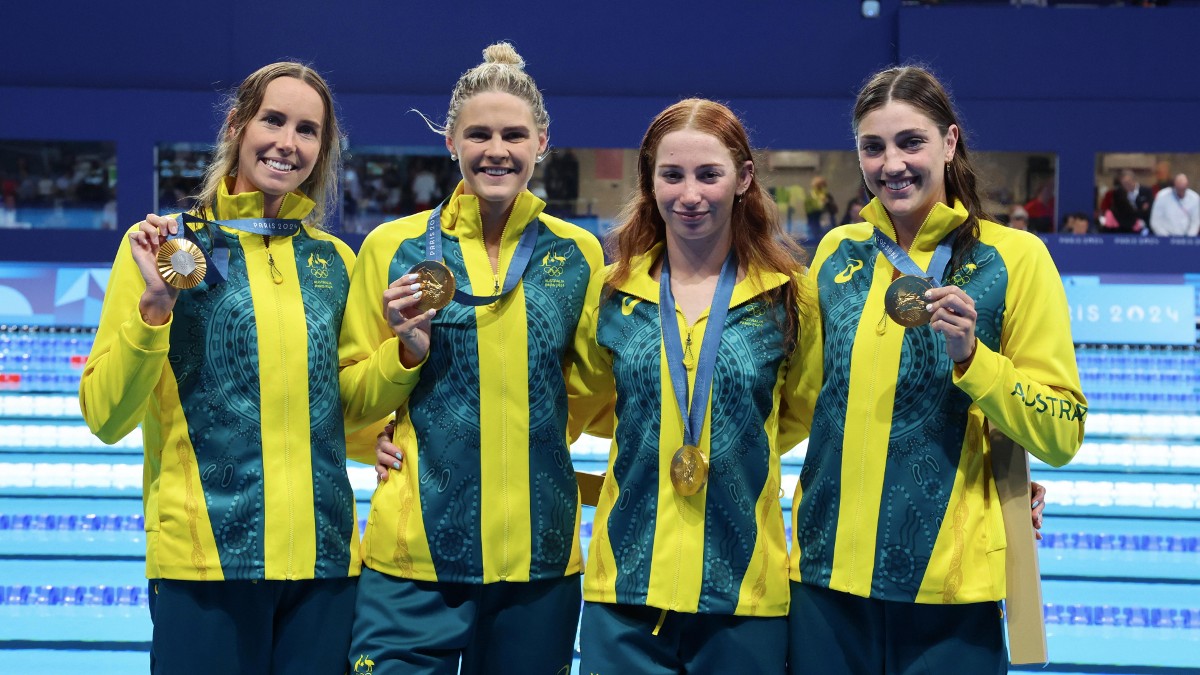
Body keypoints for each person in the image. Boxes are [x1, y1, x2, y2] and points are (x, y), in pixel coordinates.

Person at [787, 65, 1086, 674]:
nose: (891, 163)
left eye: (910, 142)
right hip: (826, 577)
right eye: (873, 147)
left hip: (951, 592)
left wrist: (976, 361)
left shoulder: (1015, 259)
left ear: (949, 144)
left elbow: (1063, 430)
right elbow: (795, 401)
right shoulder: (837, 253)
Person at [79, 62, 363, 674]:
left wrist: (400, 388)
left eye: (308, 129)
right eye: (274, 120)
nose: (289, 142)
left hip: (325, 564)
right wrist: (155, 308)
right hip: (205, 562)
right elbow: (105, 416)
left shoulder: (336, 261)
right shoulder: (161, 245)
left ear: (322, 148)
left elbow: (352, 410)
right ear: (237, 125)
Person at [340, 42, 605, 674]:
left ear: (542, 141)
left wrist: (521, 441)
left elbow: (591, 388)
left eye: (514, 134)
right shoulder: (391, 247)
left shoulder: (578, 255)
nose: (497, 150)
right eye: (478, 135)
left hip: (537, 560)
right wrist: (403, 358)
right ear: (451, 143)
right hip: (411, 560)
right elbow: (346, 395)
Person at [564, 98, 816, 673]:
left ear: (744, 178)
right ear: (649, 182)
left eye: (710, 174)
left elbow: (802, 411)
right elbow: (573, 406)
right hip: (623, 589)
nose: (690, 194)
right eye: (671, 175)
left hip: (745, 593)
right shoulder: (611, 293)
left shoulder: (790, 296)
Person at [1148, 172, 1200, 236]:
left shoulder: (1195, 198)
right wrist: (1166, 238)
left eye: (1183, 189)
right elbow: (1155, 221)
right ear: (1174, 185)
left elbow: (1196, 221)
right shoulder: (1162, 196)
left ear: (1187, 186)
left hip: (1186, 237)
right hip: (1165, 237)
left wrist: (1189, 238)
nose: (1181, 192)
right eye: (1179, 189)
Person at [1105, 169, 1153, 233]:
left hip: (1146, 227)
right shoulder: (1120, 195)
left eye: (1128, 182)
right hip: (1127, 228)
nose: (1126, 185)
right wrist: (1141, 210)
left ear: (1134, 180)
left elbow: (1149, 210)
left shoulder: (1146, 191)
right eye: (1123, 183)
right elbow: (1121, 211)